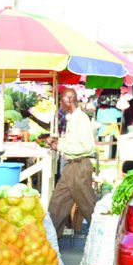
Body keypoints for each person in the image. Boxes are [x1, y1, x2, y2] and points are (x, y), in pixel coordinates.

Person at [47, 89, 97, 237]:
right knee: (57, 203)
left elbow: (87, 147)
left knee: (88, 206)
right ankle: (49, 239)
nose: (60, 105)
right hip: (72, 166)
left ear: (68, 100)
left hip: (80, 166)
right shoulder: (73, 118)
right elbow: (74, 142)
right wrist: (58, 142)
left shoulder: (80, 119)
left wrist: (59, 145)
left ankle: (102, 236)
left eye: (61, 101)